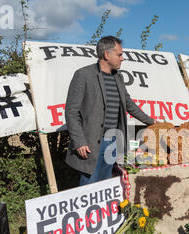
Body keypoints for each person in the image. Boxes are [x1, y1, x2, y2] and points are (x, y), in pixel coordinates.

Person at [65, 36, 156, 186]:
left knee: (106, 185)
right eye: (119, 54)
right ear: (107, 55)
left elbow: (128, 103)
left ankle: (103, 209)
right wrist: (79, 141)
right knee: (89, 186)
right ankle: (89, 210)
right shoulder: (83, 75)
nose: (122, 58)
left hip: (114, 142)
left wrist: (151, 121)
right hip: (91, 144)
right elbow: (71, 111)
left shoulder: (118, 78)